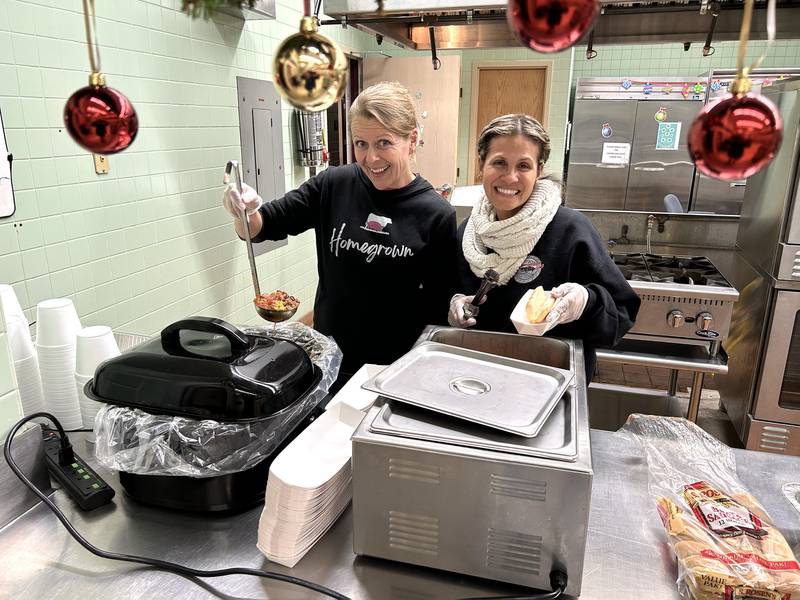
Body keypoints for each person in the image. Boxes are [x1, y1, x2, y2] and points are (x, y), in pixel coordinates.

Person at [223, 81, 457, 382]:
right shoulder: (334, 185)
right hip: (329, 359)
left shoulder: (435, 213)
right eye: (361, 143)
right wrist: (245, 210)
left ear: (411, 140)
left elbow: (439, 308)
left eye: (384, 143)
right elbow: (263, 226)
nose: (371, 158)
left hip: (395, 368)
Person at [447, 114, 640, 379]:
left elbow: (622, 314)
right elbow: (446, 294)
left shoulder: (571, 231)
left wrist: (585, 302)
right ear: (482, 164)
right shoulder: (469, 233)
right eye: (499, 162)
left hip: (549, 381)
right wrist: (453, 307)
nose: (510, 177)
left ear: (538, 170)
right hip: (478, 376)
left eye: (524, 166)